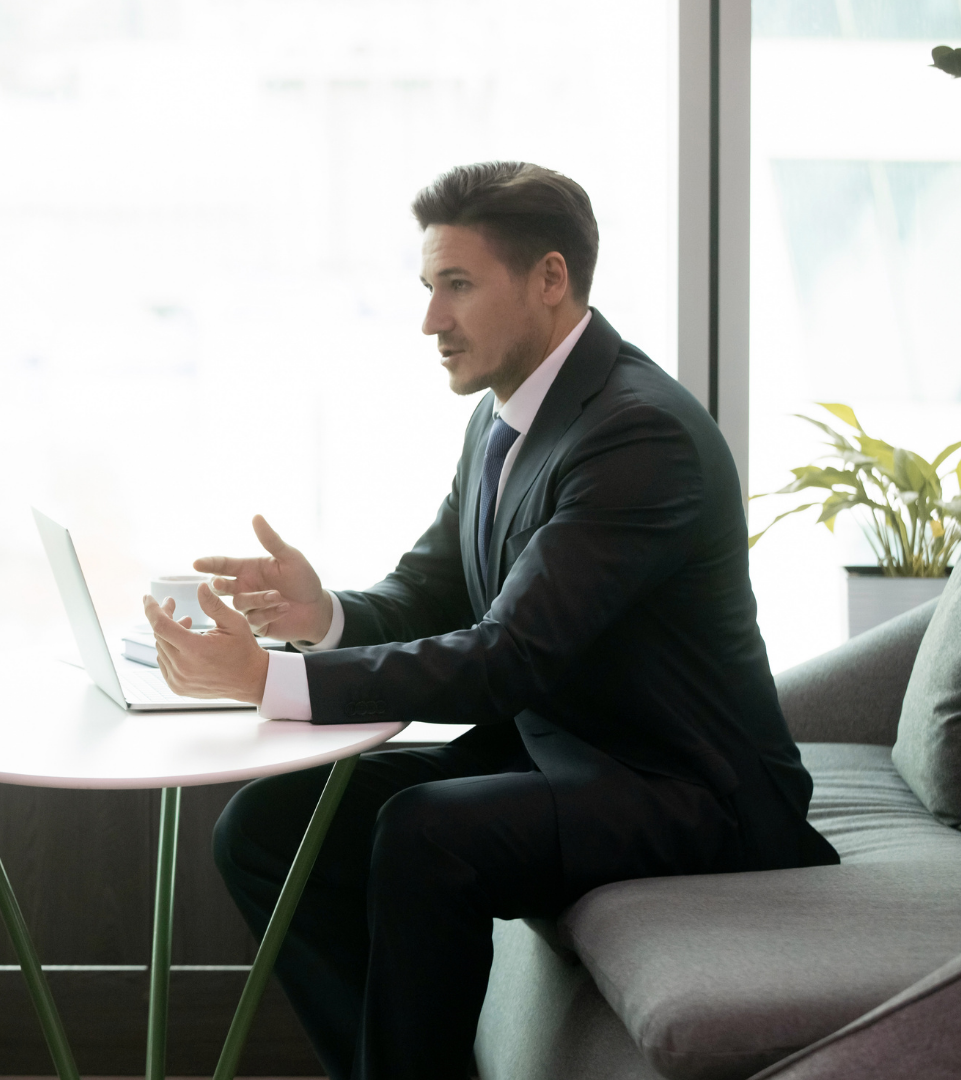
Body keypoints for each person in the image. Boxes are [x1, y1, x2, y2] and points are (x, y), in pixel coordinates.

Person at [140, 161, 836, 1080]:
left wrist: (267, 679)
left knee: (426, 832)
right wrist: (325, 616)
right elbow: (432, 595)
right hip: (565, 747)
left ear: (550, 279)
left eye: (457, 286)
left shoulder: (637, 434)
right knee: (266, 827)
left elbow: (508, 658)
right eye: (431, 288)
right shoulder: (505, 415)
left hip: (692, 791)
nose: (431, 320)